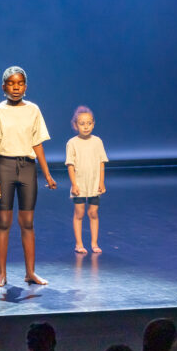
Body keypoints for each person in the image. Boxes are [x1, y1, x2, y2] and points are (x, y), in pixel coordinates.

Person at [0, 66, 57, 287]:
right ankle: (1, 274)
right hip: (4, 167)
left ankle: (30, 272)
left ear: (25, 86)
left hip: (28, 168)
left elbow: (37, 144)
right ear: (4, 87)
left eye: (20, 83)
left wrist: (48, 174)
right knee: (3, 221)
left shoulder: (33, 110)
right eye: (11, 84)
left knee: (28, 222)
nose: (16, 87)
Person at [66, 106, 108, 253]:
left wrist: (102, 182)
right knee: (79, 213)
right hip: (79, 184)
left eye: (89, 123)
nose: (86, 126)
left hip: (94, 184)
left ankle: (94, 243)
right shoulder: (72, 143)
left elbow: (101, 162)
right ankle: (79, 244)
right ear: (75, 125)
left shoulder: (97, 141)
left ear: (93, 124)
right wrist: (74, 184)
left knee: (93, 213)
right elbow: (70, 165)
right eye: (82, 123)